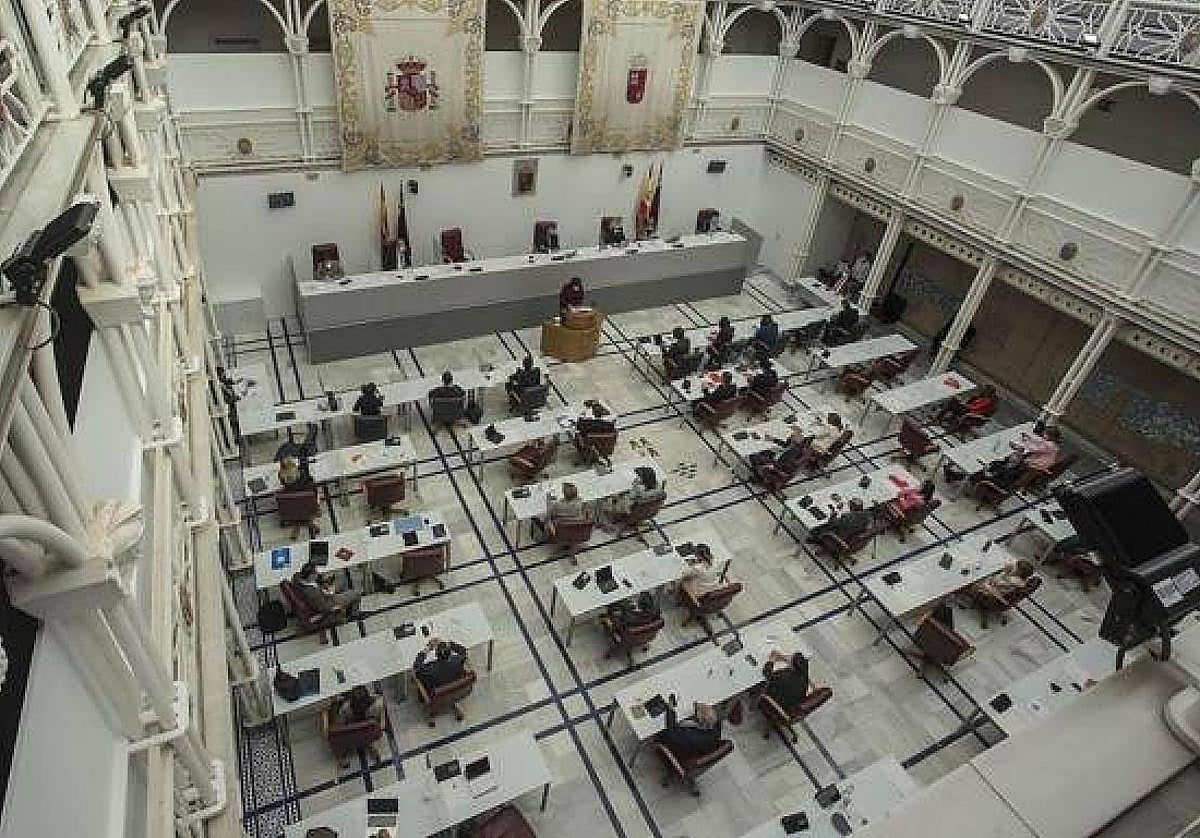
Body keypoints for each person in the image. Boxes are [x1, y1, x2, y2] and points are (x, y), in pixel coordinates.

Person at [658, 701, 722, 762]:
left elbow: (671, 732)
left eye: (696, 713)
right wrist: (694, 724)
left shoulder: (691, 736)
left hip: (680, 750)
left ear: (701, 720)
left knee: (659, 730)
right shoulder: (715, 728)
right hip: (700, 747)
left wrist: (670, 710)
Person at [292, 560, 360, 616]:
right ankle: (353, 614)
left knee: (341, 581)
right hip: (330, 601)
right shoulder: (311, 592)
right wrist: (331, 594)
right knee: (355, 594)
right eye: (315, 572)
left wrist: (325, 588)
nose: (318, 573)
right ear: (311, 576)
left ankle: (347, 607)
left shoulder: (299, 579)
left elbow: (317, 588)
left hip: (324, 594)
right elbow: (322, 607)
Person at [935, 384, 999, 427]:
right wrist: (964, 403)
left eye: (985, 389)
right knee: (953, 402)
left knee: (952, 403)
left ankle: (939, 419)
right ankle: (943, 418)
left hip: (970, 412)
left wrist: (964, 405)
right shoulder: (982, 397)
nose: (983, 390)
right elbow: (972, 403)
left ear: (989, 391)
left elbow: (975, 408)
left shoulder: (987, 401)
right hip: (967, 409)